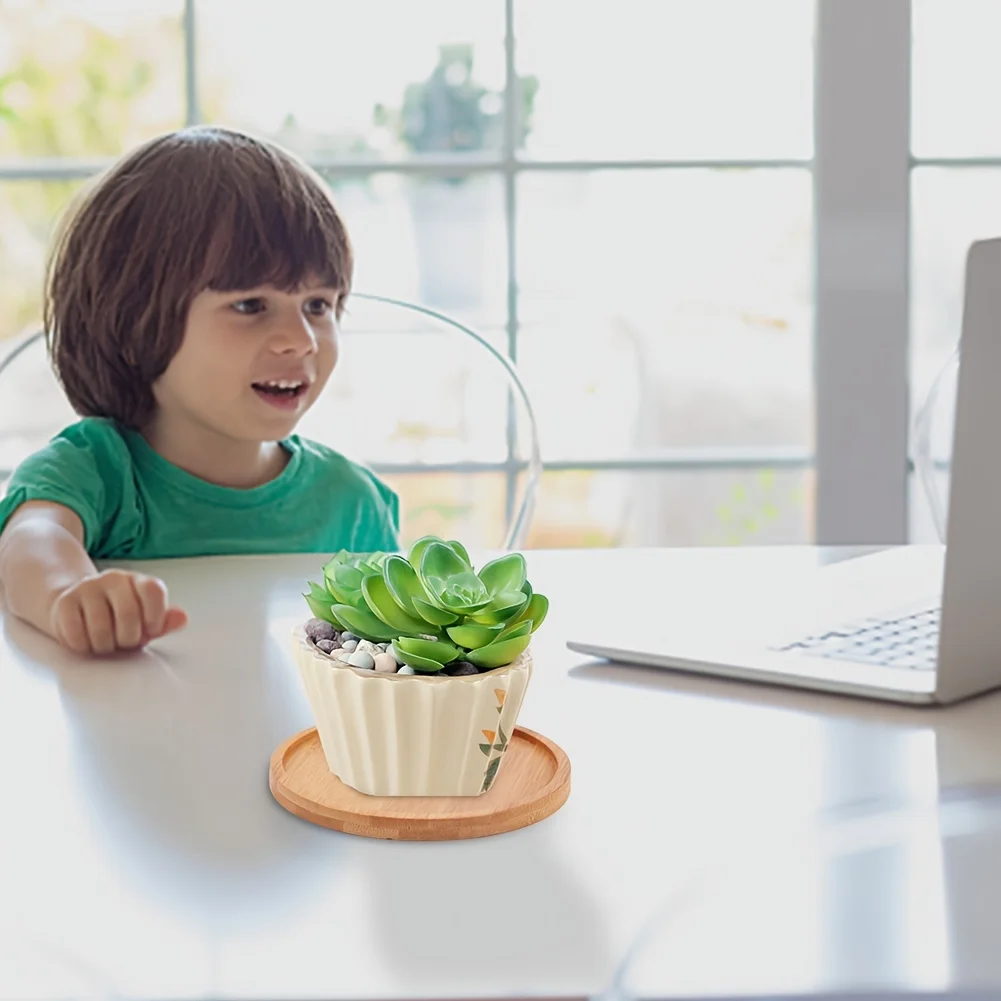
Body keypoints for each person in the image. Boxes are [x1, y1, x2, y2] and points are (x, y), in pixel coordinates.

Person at [0, 126, 399, 656]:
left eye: (319, 305)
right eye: (250, 305)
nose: (299, 340)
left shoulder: (353, 502)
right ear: (137, 322)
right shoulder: (96, 471)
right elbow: (30, 544)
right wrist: (69, 595)